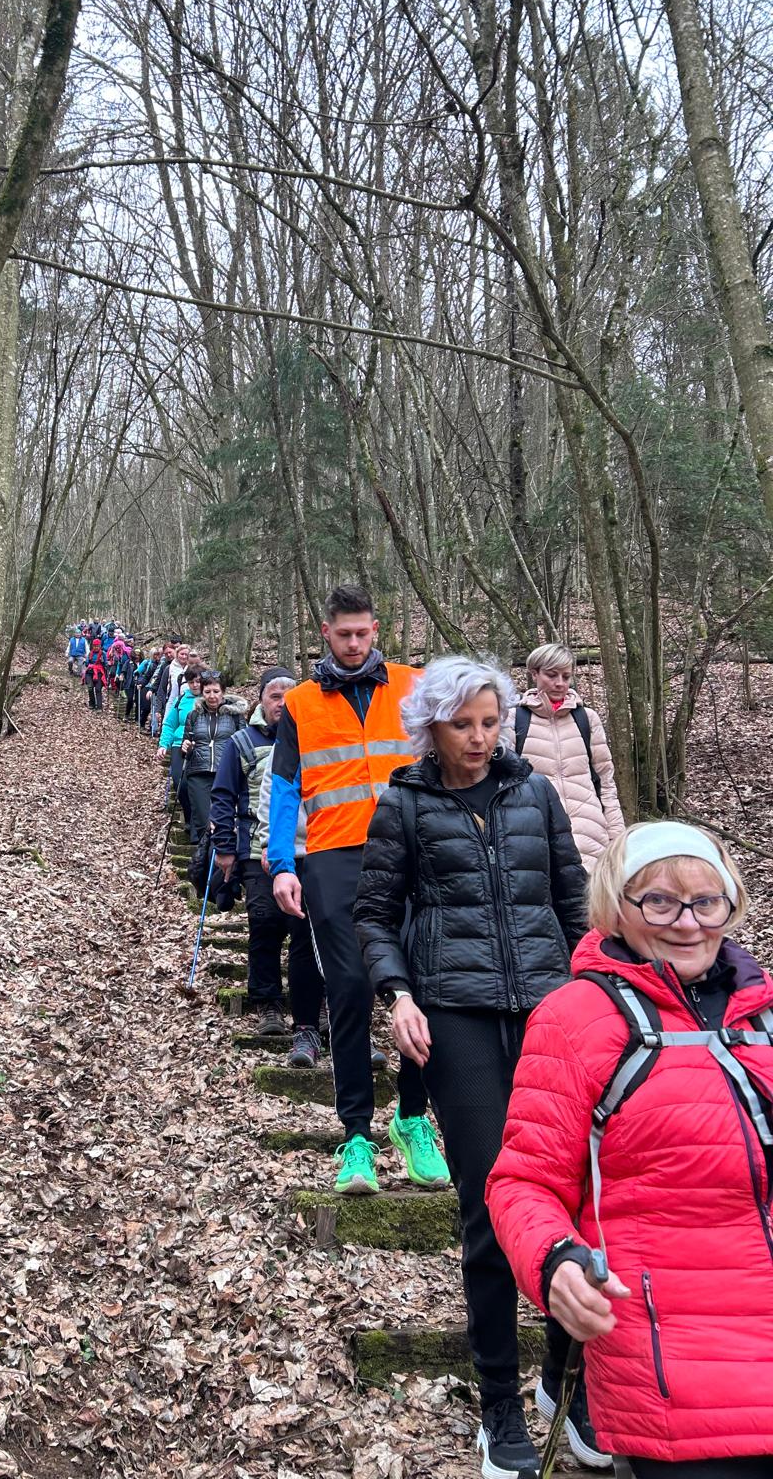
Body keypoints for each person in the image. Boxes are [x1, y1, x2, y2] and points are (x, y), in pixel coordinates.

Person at [352, 653, 591, 1478]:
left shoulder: (536, 794)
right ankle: (499, 1407)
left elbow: (572, 900)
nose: (481, 738)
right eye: (464, 724)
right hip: (453, 1013)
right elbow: (374, 913)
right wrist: (398, 995)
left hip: (551, 1012)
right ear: (433, 727)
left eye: (490, 722)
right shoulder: (405, 803)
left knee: (569, 1195)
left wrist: (593, 990)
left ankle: (564, 1381)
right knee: (491, 1202)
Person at [488, 823, 773, 1479]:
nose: (688, 923)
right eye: (660, 902)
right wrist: (555, 1263)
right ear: (616, 908)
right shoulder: (576, 1019)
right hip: (673, 1369)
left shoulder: (764, 1014)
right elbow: (523, 1181)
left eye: (706, 902)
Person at [267, 583, 447, 1197]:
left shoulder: (415, 686)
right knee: (347, 989)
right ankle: (356, 1136)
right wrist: (281, 864)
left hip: (413, 848)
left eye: (362, 633)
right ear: (326, 632)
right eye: (342, 634)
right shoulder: (299, 702)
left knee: (421, 982)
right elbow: (285, 786)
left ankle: (413, 1118)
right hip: (333, 855)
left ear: (376, 629)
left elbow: (452, 757)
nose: (352, 643)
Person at [212, 668, 326, 1060]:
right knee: (264, 921)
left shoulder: (314, 735)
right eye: (274, 696)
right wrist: (225, 846)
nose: (282, 703)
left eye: (288, 696)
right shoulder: (243, 742)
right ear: (261, 699)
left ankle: (315, 1005)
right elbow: (224, 794)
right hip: (255, 846)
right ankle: (268, 1001)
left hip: (313, 849)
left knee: (309, 930)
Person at [509, 642, 625, 869]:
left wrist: (617, 839)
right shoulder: (513, 720)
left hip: (591, 838)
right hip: (536, 838)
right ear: (534, 673)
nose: (560, 683)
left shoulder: (587, 719)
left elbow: (606, 783)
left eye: (566, 676)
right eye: (551, 675)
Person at [181, 670, 248, 843]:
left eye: (216, 691)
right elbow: (185, 746)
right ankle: (204, 857)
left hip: (226, 774)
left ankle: (220, 856)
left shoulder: (235, 716)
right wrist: (186, 747)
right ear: (202, 693)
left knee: (223, 822)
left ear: (223, 692)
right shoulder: (194, 715)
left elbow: (244, 746)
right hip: (198, 773)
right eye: (207, 692)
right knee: (204, 823)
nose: (212, 696)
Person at [158, 663, 203, 822]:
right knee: (180, 783)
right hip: (179, 744)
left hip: (202, 745)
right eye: (191, 682)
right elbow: (170, 724)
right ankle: (189, 817)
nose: (195, 685)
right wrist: (164, 744)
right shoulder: (181, 699)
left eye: (198, 681)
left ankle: (197, 821)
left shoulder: (210, 699)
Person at [83, 643, 107, 711]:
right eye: (94, 646)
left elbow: (106, 664)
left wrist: (103, 662)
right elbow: (87, 663)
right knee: (90, 687)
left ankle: (99, 706)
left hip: (99, 673)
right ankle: (92, 704)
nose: (96, 647)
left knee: (98, 689)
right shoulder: (90, 653)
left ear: (100, 646)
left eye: (97, 646)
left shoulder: (103, 654)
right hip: (90, 672)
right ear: (92, 646)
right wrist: (86, 662)